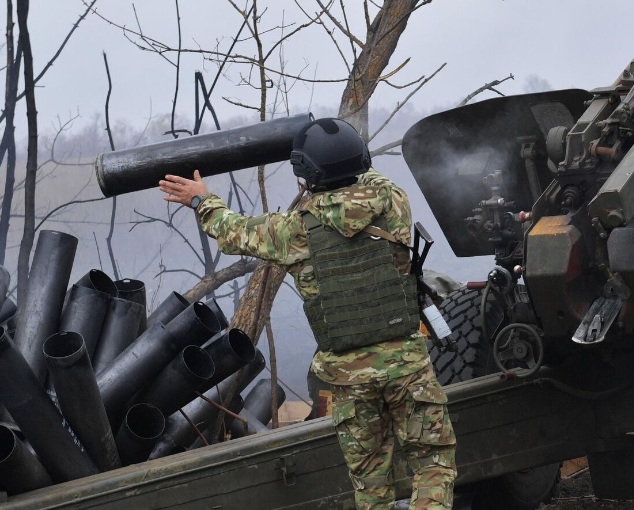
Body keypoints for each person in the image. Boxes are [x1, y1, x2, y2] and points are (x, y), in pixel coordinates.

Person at [158, 117, 456, 510]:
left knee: (371, 485)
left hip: (348, 378)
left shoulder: (292, 232)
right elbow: (371, 178)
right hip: (407, 366)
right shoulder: (393, 202)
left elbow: (232, 231)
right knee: (433, 466)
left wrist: (201, 198)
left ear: (307, 175)